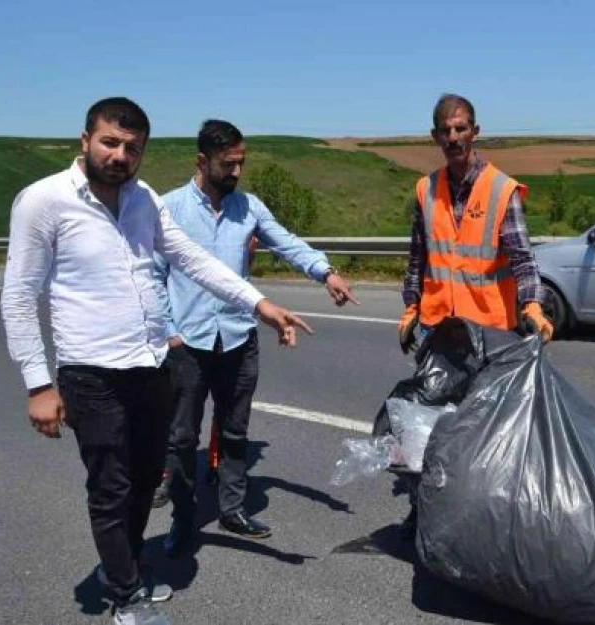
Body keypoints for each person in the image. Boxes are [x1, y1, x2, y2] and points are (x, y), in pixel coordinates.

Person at [0, 98, 312, 625]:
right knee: (111, 486)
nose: (120, 155)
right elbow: (18, 296)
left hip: (150, 367)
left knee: (147, 479)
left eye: (132, 148)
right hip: (90, 371)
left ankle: (117, 570)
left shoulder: (143, 199)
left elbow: (192, 258)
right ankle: (126, 596)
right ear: (85, 140)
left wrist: (258, 304)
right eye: (110, 143)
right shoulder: (43, 202)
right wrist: (38, 384)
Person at [150, 119, 358, 557]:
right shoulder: (168, 209)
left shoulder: (249, 208)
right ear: (202, 161)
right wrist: (168, 334)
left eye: (242, 163)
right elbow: (152, 277)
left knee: (234, 430)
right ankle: (183, 522)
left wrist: (326, 271)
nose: (237, 173)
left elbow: (288, 243)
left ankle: (231, 510)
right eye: (229, 164)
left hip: (239, 339)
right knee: (183, 437)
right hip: (187, 343)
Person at [395, 93, 553, 538]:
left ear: (475, 132)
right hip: (437, 332)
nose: (453, 137)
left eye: (461, 128)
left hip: (486, 336)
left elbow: (522, 258)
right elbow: (417, 259)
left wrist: (532, 304)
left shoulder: (501, 189)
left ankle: (481, 518)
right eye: (445, 130)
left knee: (482, 430)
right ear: (434, 136)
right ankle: (423, 508)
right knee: (427, 425)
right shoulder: (426, 189)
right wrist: (411, 306)